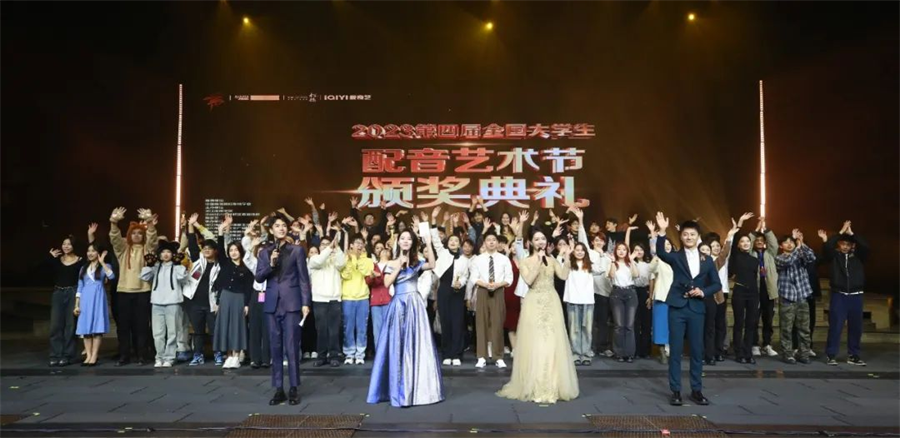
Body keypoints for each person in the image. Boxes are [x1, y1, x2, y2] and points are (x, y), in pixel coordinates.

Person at [497, 230, 579, 404]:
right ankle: (534, 384)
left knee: (552, 341)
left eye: (543, 238)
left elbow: (563, 275)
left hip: (551, 301)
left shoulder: (552, 260)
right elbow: (528, 280)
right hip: (533, 302)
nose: (540, 241)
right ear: (530, 243)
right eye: (537, 239)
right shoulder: (525, 261)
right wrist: (539, 262)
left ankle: (553, 384)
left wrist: (567, 256)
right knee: (535, 342)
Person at [367, 223, 443, 407]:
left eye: (409, 238)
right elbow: (386, 283)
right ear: (398, 242)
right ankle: (397, 388)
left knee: (416, 344)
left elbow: (433, 264)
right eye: (403, 238)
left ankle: (416, 388)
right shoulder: (391, 263)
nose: (406, 241)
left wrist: (428, 242)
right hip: (398, 305)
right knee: (397, 344)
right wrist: (398, 267)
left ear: (413, 242)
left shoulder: (417, 262)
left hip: (415, 305)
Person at [654, 213, 721, 407]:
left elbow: (716, 284)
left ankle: (696, 390)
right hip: (677, 307)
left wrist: (703, 291)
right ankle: (675, 390)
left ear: (698, 236)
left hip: (697, 308)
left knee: (697, 350)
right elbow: (661, 253)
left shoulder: (707, 260)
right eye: (685, 234)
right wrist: (662, 231)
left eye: (692, 234)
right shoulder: (676, 257)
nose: (689, 237)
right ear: (681, 237)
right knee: (675, 350)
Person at [255, 212, 313, 406]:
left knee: (292, 346)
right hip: (272, 303)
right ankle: (278, 388)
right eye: (277, 226)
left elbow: (304, 278)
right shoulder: (264, 253)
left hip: (292, 303)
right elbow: (259, 277)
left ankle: (294, 387)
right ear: (271, 230)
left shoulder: (297, 250)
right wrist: (271, 265)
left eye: (283, 225)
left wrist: (305, 303)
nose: (281, 228)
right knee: (275, 346)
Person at [109, 207, 159, 366]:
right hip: (124, 291)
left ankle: (141, 355)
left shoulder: (147, 249)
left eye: (139, 233)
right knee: (123, 326)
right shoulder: (123, 249)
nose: (136, 235)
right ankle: (124, 355)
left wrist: (149, 221)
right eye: (133, 233)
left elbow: (152, 238)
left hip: (143, 291)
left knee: (142, 326)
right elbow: (115, 239)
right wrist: (114, 222)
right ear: (129, 235)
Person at [819, 221, 868, 366]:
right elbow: (827, 247)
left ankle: (854, 355)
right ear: (839, 245)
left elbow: (866, 247)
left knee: (856, 327)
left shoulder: (859, 256)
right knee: (836, 326)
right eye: (843, 244)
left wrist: (852, 233)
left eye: (848, 244)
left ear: (852, 246)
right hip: (839, 295)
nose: (845, 246)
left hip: (856, 296)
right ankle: (831, 355)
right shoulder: (835, 256)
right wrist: (841, 231)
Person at [213, 218, 255, 369]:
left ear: (240, 251)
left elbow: (249, 288)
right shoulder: (225, 263)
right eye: (231, 250)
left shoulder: (246, 268)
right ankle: (229, 355)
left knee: (237, 327)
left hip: (239, 299)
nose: (233, 252)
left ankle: (237, 356)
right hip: (225, 297)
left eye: (236, 250)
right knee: (225, 326)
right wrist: (220, 231)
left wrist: (247, 304)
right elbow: (219, 248)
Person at [430, 217, 471, 366]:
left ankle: (457, 354)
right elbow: (435, 240)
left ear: (459, 244)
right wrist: (434, 220)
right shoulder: (443, 254)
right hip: (444, 290)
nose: (453, 242)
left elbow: (466, 276)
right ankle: (447, 353)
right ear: (447, 243)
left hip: (458, 293)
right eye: (451, 240)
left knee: (457, 323)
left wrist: (461, 283)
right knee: (445, 322)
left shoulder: (464, 260)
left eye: (456, 241)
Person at [140, 240, 187, 368]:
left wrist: (178, 263)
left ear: (173, 254)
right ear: (159, 255)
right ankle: (159, 357)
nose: (166, 254)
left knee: (172, 332)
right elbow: (144, 277)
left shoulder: (176, 267)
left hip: (173, 302)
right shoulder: (156, 267)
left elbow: (183, 277)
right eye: (163, 252)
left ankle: (169, 358)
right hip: (156, 303)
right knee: (157, 334)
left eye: (168, 252)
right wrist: (149, 264)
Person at [471, 232, 514, 369]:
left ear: (497, 243)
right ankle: (481, 356)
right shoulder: (478, 259)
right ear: (484, 242)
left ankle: (498, 356)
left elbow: (509, 278)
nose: (491, 242)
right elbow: (474, 277)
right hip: (482, 291)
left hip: (498, 290)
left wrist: (497, 285)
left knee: (497, 323)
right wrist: (485, 284)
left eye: (494, 240)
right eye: (488, 240)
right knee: (481, 323)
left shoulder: (504, 259)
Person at [184, 214, 223, 366]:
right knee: (198, 331)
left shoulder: (220, 265)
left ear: (215, 250)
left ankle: (217, 354)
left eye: (209, 248)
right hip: (194, 302)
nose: (206, 250)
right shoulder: (197, 261)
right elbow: (192, 242)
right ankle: (198, 355)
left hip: (212, 303)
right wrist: (191, 225)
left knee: (214, 330)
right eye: (204, 248)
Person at [775, 229, 816, 364]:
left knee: (804, 329)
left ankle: (803, 354)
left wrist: (801, 243)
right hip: (787, 297)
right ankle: (787, 354)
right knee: (786, 329)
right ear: (781, 246)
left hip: (802, 296)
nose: (789, 244)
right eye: (786, 242)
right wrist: (798, 247)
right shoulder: (779, 258)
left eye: (791, 242)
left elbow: (811, 257)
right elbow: (789, 261)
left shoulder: (800, 255)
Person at [308, 232, 346, 367]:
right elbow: (319, 261)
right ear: (319, 247)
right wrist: (330, 248)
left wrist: (337, 248)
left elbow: (342, 263)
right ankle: (321, 356)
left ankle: (334, 356)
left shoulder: (335, 259)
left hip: (335, 299)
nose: (326, 246)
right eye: (323, 244)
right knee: (321, 330)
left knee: (334, 330)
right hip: (319, 300)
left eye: (328, 244)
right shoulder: (314, 259)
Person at [47, 234, 85, 367]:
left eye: (69, 244)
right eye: (64, 244)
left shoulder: (80, 261)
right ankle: (55, 355)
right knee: (55, 325)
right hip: (58, 292)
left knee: (70, 325)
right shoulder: (57, 260)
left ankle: (68, 355)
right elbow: (41, 270)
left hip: (72, 292)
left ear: (74, 246)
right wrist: (50, 258)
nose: (66, 246)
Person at [74, 243, 114, 366]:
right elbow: (80, 287)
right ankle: (88, 355)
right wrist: (77, 305)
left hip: (98, 298)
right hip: (85, 299)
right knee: (86, 329)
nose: (90, 253)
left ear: (98, 253)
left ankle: (94, 355)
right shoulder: (83, 268)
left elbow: (112, 276)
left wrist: (102, 262)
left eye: (93, 251)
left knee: (97, 328)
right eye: (88, 251)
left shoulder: (105, 266)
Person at [341, 234, 374, 365]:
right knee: (348, 327)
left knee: (362, 327)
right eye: (357, 243)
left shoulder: (368, 260)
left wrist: (357, 259)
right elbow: (345, 275)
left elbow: (366, 273)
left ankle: (360, 353)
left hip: (363, 297)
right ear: (351, 245)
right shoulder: (345, 259)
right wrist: (349, 260)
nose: (359, 245)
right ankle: (349, 353)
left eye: (361, 243)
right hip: (347, 297)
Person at [749, 218, 779, 357]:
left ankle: (767, 344)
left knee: (768, 320)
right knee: (754, 319)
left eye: (762, 240)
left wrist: (765, 229)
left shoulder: (770, 254)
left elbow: (774, 243)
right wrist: (756, 230)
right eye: (757, 240)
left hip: (768, 291)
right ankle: (754, 344)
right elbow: (748, 243)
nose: (759, 242)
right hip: (755, 291)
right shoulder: (751, 254)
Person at [563, 242, 596, 365]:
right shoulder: (569, 264)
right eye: (577, 250)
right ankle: (575, 354)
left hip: (587, 301)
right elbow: (561, 271)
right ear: (573, 251)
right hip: (573, 300)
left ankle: (586, 354)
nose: (580, 252)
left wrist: (602, 254)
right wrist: (566, 254)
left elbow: (602, 269)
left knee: (587, 329)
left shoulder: (590, 265)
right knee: (574, 329)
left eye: (582, 250)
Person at [608, 242, 639, 362]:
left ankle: (629, 353)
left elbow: (636, 275)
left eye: (624, 249)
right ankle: (619, 353)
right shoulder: (613, 263)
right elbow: (611, 275)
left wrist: (631, 261)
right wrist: (612, 262)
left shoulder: (630, 263)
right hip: (617, 293)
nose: (621, 251)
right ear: (615, 251)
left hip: (630, 293)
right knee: (619, 325)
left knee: (629, 325)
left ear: (627, 252)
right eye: (619, 249)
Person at [647, 221, 673, 365]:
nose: (667, 246)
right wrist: (657, 256)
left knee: (673, 325)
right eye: (665, 244)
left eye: (669, 244)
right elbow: (650, 270)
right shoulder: (658, 260)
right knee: (660, 325)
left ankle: (672, 349)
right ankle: (662, 350)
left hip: (675, 298)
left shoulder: (677, 260)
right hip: (662, 296)